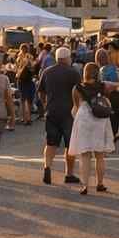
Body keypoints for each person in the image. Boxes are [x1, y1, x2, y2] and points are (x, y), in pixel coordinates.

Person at [37, 46, 82, 186]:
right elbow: (78, 92)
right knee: (70, 145)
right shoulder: (73, 73)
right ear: (67, 58)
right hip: (69, 112)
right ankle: (69, 174)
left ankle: (47, 167)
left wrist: (45, 104)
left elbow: (41, 91)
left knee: (51, 143)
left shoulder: (47, 72)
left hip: (52, 111)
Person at [69, 62, 115, 195]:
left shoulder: (77, 88)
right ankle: (100, 183)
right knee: (100, 155)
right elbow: (111, 94)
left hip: (84, 117)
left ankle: (85, 186)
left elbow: (76, 107)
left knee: (85, 155)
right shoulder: (103, 86)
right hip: (100, 119)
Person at [97, 48, 119, 142]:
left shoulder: (99, 69)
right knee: (115, 115)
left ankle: (107, 134)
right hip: (114, 94)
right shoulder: (112, 68)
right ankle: (113, 134)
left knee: (106, 115)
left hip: (104, 96)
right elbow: (117, 82)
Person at [15, 47, 38, 125]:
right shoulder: (27, 57)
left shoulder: (20, 57)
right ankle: (27, 118)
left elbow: (16, 70)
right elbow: (32, 70)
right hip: (27, 80)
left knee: (24, 99)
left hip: (22, 80)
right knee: (28, 100)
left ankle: (25, 118)